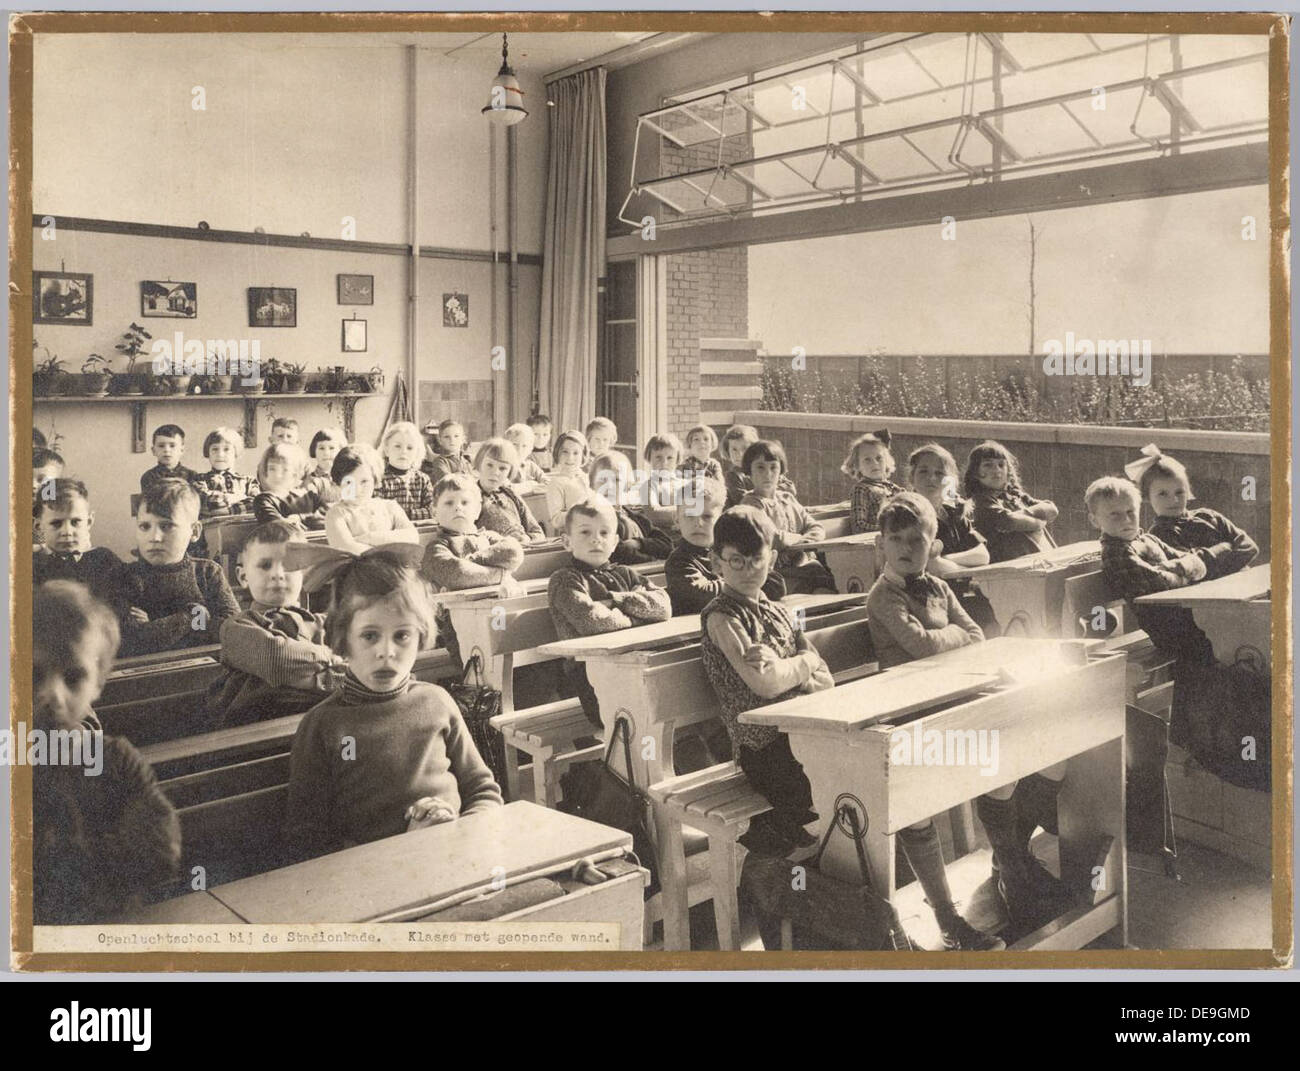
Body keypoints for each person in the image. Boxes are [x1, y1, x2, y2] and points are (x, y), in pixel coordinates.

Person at [865, 493, 1053, 946]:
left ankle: (1010, 867)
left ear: (933, 544)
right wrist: (947, 637)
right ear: (881, 544)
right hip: (908, 716)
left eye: (918, 539)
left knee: (1011, 761)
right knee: (918, 808)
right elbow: (921, 646)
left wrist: (942, 636)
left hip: (953, 701)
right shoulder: (883, 595)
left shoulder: (938, 587)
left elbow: (974, 635)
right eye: (897, 539)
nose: (908, 548)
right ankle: (948, 918)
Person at [284, 548, 503, 861]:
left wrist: (460, 831)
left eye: (402, 636)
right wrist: (406, 846)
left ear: (422, 637)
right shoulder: (325, 725)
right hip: (373, 879)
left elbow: (483, 790)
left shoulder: (437, 701)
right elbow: (307, 840)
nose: (386, 651)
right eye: (370, 636)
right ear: (343, 639)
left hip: (457, 857)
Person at [32, 581, 180, 923]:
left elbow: (159, 854)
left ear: (98, 682)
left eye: (73, 677)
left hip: (109, 927)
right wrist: (106, 848)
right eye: (32, 673)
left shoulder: (117, 760)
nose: (52, 695)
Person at [698, 507, 830, 859]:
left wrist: (794, 665)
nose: (748, 570)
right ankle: (783, 870)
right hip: (763, 748)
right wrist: (803, 665)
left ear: (771, 559)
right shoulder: (722, 616)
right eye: (736, 561)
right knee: (824, 794)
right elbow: (765, 685)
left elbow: (825, 676)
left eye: (756, 559)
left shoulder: (778, 611)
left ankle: (809, 869)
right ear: (716, 563)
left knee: (849, 770)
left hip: (799, 730)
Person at [204, 521, 347, 728]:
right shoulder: (236, 628)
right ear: (243, 577)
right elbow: (275, 660)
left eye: (288, 566)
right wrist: (331, 656)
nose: (278, 574)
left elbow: (360, 663)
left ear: (304, 573)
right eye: (265, 565)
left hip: (312, 724)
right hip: (252, 733)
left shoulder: (319, 623)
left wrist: (320, 677)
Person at [547, 498, 672, 726]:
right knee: (658, 708)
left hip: (635, 667)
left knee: (675, 697)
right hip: (594, 679)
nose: (597, 539)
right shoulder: (565, 580)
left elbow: (663, 608)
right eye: (585, 532)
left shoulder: (626, 573)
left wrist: (616, 600)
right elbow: (593, 622)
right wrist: (640, 616)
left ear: (615, 542)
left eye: (604, 533)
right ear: (567, 541)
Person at [115, 479, 239, 656]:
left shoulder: (208, 573)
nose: (155, 537)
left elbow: (231, 630)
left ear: (194, 532)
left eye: (166, 526)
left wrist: (156, 624)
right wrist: (191, 617)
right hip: (146, 676)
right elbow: (134, 640)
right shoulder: (124, 576)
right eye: (145, 526)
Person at [1127, 444, 1259, 581]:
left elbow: (1250, 547)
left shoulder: (1208, 516)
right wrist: (1225, 547)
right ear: (1147, 497)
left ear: (1188, 491)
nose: (1174, 499)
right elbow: (1191, 569)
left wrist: (1209, 562)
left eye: (1179, 492)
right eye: (1162, 494)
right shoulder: (1159, 535)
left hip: (1239, 582)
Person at [906, 442, 998, 635]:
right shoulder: (908, 513)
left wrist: (948, 560)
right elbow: (933, 568)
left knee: (992, 619)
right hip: (926, 599)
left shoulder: (952, 512)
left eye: (939, 473)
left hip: (960, 592)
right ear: (911, 477)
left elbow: (982, 555)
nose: (931, 478)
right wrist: (965, 568)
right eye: (923, 471)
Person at [664, 477, 784, 615]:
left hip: (739, 616)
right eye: (690, 516)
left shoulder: (731, 551)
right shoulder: (678, 562)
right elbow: (700, 596)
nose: (698, 523)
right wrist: (746, 581)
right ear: (677, 519)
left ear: (721, 517)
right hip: (696, 628)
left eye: (707, 516)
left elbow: (776, 586)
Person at [739, 439, 836, 594]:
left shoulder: (787, 498)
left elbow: (816, 527)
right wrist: (798, 538)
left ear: (781, 471)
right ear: (749, 472)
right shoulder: (751, 503)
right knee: (811, 582)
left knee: (822, 576)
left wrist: (805, 541)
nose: (768, 474)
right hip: (775, 573)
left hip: (801, 566)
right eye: (760, 468)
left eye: (773, 468)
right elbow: (772, 536)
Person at [33, 478, 124, 613]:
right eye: (56, 523)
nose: (67, 532)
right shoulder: (34, 564)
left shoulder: (104, 559)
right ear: (38, 526)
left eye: (75, 522)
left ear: (89, 521)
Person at [964, 441, 1058, 562]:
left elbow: (1051, 509)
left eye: (1001, 465)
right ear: (975, 473)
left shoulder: (1015, 495)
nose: (996, 470)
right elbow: (1008, 521)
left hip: (1036, 560)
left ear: (1008, 471)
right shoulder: (980, 501)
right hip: (1009, 567)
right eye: (988, 465)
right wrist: (1039, 523)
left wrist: (1023, 514)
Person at [324, 446, 420, 553]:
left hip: (392, 568)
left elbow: (412, 537)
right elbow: (348, 549)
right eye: (349, 482)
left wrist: (370, 538)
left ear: (375, 481)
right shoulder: (335, 515)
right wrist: (392, 546)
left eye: (364, 481)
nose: (357, 489)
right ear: (339, 482)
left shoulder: (390, 507)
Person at [589, 451, 673, 565]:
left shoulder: (636, 517)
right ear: (592, 484)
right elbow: (619, 553)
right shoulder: (592, 519)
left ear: (627, 485)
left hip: (650, 572)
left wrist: (639, 543)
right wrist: (655, 559)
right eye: (603, 479)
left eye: (617, 480)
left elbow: (667, 544)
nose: (609, 486)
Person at [474, 438, 547, 542]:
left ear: (510, 471)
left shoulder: (511, 495)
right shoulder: (470, 495)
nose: (495, 472)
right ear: (479, 463)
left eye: (502, 468)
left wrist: (527, 538)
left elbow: (537, 532)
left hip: (525, 550)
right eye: (489, 465)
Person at [252, 443, 326, 530]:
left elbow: (329, 517)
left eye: (285, 470)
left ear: (294, 474)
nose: (277, 475)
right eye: (272, 468)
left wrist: (299, 518)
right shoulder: (263, 500)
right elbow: (279, 526)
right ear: (266, 472)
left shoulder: (310, 496)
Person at [843, 429, 904, 534]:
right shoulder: (862, 490)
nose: (875, 464)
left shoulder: (894, 488)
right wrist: (890, 531)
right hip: (874, 542)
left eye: (879, 458)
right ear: (857, 465)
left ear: (887, 461)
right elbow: (859, 526)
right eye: (867, 460)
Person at [191, 426, 259, 517]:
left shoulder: (248, 481)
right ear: (208, 453)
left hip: (242, 528)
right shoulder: (199, 479)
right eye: (215, 449)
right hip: (211, 529)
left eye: (226, 449)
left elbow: (257, 502)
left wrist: (227, 511)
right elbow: (203, 501)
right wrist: (238, 498)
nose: (220, 454)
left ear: (236, 453)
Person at [376, 421, 437, 522]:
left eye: (409, 448)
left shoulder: (423, 479)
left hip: (419, 531)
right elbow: (379, 513)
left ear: (417, 452)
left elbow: (433, 510)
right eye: (397, 446)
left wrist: (404, 515)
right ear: (386, 449)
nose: (403, 451)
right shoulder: (379, 479)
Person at [544, 430, 592, 533]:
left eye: (576, 453)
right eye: (565, 452)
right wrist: (582, 511)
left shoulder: (588, 477)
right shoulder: (556, 483)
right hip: (574, 533)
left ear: (583, 455)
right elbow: (556, 520)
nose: (570, 458)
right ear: (557, 453)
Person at [140, 424, 199, 494]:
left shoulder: (192, 476)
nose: (167, 450)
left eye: (172, 446)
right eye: (161, 446)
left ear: (182, 450)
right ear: (153, 451)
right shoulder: (149, 477)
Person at [422, 419, 475, 483]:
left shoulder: (465, 460)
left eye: (456, 436)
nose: (452, 440)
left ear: (463, 439)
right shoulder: (440, 461)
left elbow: (474, 479)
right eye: (447, 437)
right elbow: (448, 481)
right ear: (440, 440)